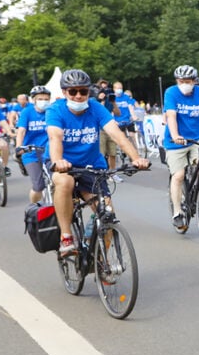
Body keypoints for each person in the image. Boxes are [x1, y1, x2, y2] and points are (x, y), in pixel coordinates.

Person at [46, 69, 150, 256]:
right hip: (63, 165)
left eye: (83, 91)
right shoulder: (55, 110)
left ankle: (103, 262)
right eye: (73, 91)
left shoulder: (96, 108)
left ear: (89, 92)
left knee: (107, 213)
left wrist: (136, 159)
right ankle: (66, 237)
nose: (78, 96)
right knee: (65, 182)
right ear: (64, 93)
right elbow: (55, 137)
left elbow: (117, 134)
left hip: (91, 166)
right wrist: (58, 161)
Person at [163, 64, 199, 230]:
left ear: (194, 81)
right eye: (181, 80)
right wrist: (175, 135)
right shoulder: (171, 92)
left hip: (197, 140)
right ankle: (177, 212)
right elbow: (171, 115)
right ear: (177, 81)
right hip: (176, 141)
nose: (184, 83)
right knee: (178, 175)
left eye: (188, 80)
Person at [15, 86, 52, 203]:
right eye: (40, 99)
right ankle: (33, 207)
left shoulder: (52, 111)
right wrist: (19, 147)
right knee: (38, 186)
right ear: (34, 100)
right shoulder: (27, 112)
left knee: (58, 182)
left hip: (50, 151)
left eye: (46, 99)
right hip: (31, 152)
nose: (44, 101)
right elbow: (21, 131)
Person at [108, 81, 138, 181]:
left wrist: (133, 115)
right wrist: (112, 121)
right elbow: (111, 110)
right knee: (121, 138)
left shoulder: (126, 97)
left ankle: (135, 153)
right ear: (114, 89)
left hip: (128, 120)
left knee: (132, 136)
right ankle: (123, 151)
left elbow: (130, 107)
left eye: (120, 87)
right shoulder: (113, 98)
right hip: (118, 122)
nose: (119, 89)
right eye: (117, 88)